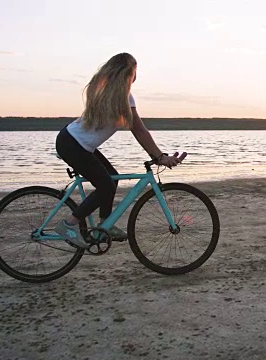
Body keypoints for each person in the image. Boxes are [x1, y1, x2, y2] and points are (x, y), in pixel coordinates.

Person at [55, 52, 183, 248]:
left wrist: (158, 156)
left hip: (72, 141)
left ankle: (105, 224)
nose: (136, 74)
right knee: (105, 185)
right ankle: (68, 224)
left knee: (111, 179)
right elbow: (139, 129)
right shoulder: (123, 98)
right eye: (135, 70)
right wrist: (159, 157)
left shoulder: (106, 92)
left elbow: (137, 130)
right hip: (74, 145)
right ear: (129, 72)